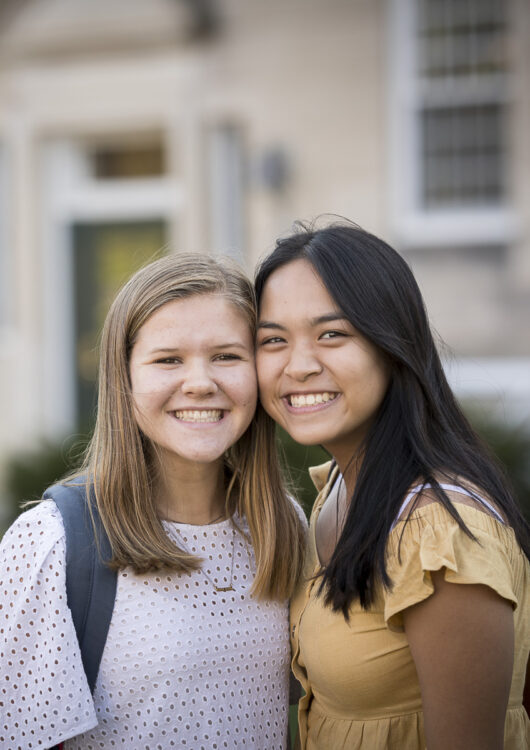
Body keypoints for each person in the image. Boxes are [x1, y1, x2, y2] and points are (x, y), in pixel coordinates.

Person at [0, 252, 306, 750]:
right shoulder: (50, 543)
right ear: (124, 378)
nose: (201, 382)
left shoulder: (282, 526)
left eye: (227, 356)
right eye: (168, 359)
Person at [254, 222, 530, 750]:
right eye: (273, 340)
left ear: (392, 344)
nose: (299, 365)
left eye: (332, 334)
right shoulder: (335, 491)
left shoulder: (439, 534)